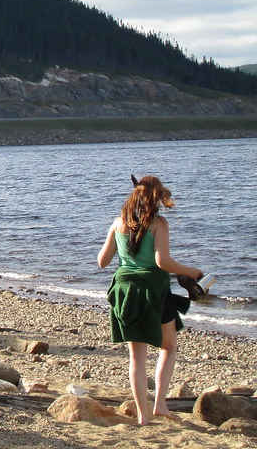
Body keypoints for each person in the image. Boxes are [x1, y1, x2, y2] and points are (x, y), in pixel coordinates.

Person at [97, 174, 202, 426]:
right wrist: (191, 272)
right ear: (156, 199)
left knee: (137, 357)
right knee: (168, 347)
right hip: (154, 292)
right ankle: (160, 404)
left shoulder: (117, 223)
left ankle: (143, 416)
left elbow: (102, 261)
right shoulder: (159, 224)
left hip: (124, 292)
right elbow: (162, 263)